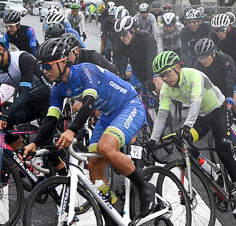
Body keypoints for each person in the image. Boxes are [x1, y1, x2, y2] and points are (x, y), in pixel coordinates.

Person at [23, 39, 158, 216]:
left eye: (48, 66)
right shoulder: (58, 89)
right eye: (42, 67)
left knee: (105, 148)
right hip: (108, 114)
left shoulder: (86, 70)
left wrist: (71, 130)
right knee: (93, 165)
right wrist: (35, 143)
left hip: (129, 105)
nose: (44, 71)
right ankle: (110, 214)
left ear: (63, 62)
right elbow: (50, 119)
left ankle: (145, 188)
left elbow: (88, 103)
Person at [144, 50, 236, 216]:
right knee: (181, 142)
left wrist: (187, 125)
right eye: (161, 76)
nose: (164, 79)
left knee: (223, 150)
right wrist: (152, 139)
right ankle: (213, 171)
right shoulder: (166, 89)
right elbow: (162, 114)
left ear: (177, 68)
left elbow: (196, 102)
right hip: (202, 116)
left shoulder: (194, 75)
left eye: (166, 74)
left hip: (218, 110)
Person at [192, 37, 236, 145]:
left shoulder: (225, 60)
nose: (203, 60)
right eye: (200, 57)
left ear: (213, 53)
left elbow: (229, 80)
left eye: (205, 56)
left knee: (235, 102)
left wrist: (229, 96)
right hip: (218, 88)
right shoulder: (198, 66)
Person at [112, 14, 157, 94]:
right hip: (137, 72)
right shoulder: (119, 43)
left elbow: (150, 60)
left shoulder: (146, 39)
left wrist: (150, 79)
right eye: (118, 34)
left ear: (132, 30)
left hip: (153, 69)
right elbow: (117, 62)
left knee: (158, 87)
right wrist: (120, 77)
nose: (121, 38)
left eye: (124, 34)